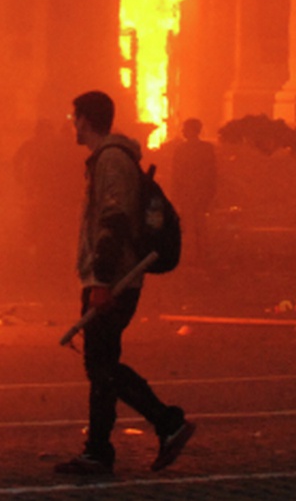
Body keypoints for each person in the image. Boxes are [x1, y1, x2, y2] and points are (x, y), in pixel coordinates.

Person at [55, 90, 195, 476]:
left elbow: (114, 221)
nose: (73, 126)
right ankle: (98, 451)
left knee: (101, 365)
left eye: (74, 118)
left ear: (86, 119)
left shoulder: (113, 160)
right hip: (111, 277)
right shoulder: (108, 159)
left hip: (115, 279)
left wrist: (100, 280)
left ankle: (168, 421)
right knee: (100, 364)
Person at [170, 118, 217, 265]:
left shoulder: (181, 150)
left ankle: (196, 255)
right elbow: (212, 174)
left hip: (190, 193)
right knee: (198, 224)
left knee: (192, 224)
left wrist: (176, 193)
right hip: (198, 193)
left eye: (186, 128)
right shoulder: (206, 149)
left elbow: (176, 174)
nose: (183, 131)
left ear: (192, 130)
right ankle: (200, 254)